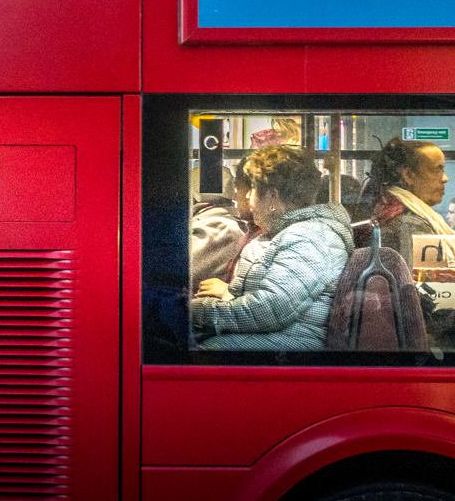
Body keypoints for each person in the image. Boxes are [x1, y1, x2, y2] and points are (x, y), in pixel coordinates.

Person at [191, 144, 351, 352]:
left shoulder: (308, 238)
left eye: (253, 189)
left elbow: (270, 309)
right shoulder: (288, 234)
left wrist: (198, 311)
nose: (246, 197)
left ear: (272, 197)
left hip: (292, 345)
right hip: (277, 337)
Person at [366, 137, 452, 268]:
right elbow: (428, 279)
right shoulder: (411, 225)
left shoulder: (391, 210)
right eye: (436, 169)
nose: (445, 178)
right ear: (408, 175)